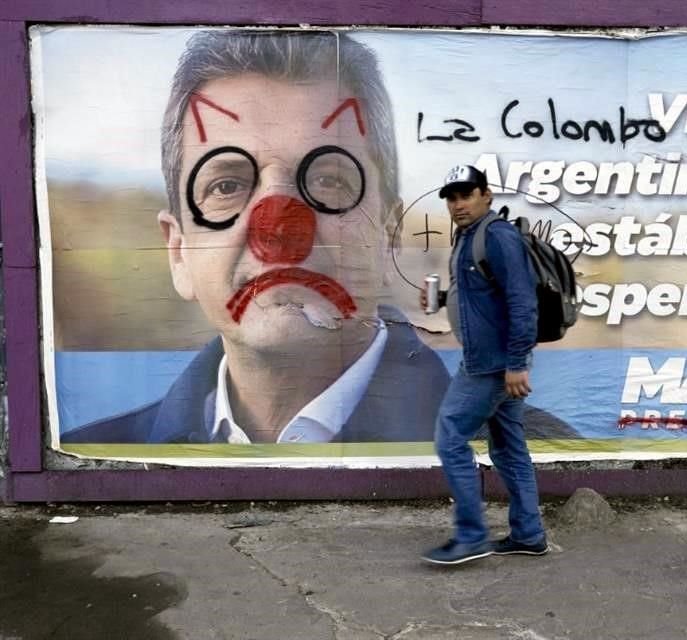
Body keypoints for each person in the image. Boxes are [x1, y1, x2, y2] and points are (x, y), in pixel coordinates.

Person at [63, 30, 578, 446]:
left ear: (388, 235)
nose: (279, 229)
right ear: (177, 251)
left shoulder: (525, 452)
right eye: (226, 185)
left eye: (330, 180)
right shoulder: (98, 453)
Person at [421, 165, 549, 565]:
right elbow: (483, 298)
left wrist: (515, 363)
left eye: (466, 195)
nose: (458, 204)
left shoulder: (498, 235)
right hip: (490, 359)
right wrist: (444, 301)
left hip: (491, 365)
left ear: (486, 195)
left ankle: (471, 536)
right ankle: (529, 534)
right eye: (452, 197)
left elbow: (522, 302)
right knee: (509, 448)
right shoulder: (469, 236)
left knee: (449, 436)